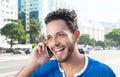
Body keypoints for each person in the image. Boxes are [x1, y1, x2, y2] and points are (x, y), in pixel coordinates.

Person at [16, 8, 116, 77]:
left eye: (60, 35)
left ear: (76, 35)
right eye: (49, 37)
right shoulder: (42, 70)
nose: (54, 43)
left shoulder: (103, 73)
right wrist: (33, 64)